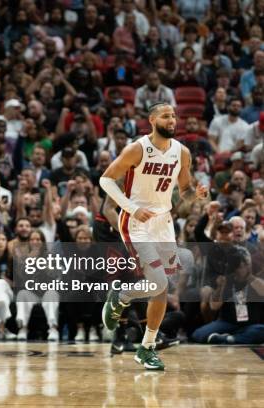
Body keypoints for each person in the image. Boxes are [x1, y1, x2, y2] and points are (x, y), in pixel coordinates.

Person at [99, 102, 208, 370]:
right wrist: (133, 209)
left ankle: (146, 348)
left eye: (174, 116)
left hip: (163, 221)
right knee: (158, 281)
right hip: (137, 221)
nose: (172, 120)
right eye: (166, 116)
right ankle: (122, 295)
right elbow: (106, 180)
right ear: (152, 119)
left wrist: (197, 195)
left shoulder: (182, 153)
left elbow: (184, 191)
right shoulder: (137, 149)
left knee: (162, 287)